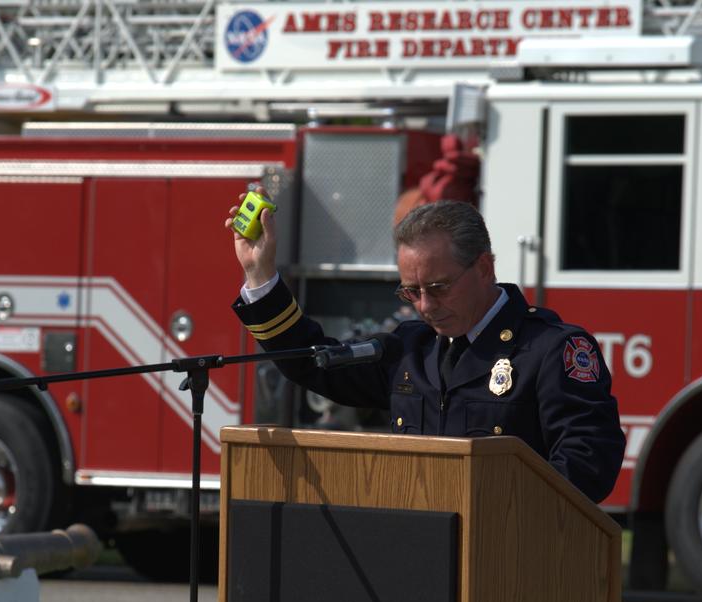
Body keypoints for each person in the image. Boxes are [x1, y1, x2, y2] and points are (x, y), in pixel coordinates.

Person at [226, 192, 625, 503]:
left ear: (485, 268)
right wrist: (259, 274)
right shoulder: (409, 351)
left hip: (510, 564)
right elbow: (312, 363)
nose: (426, 306)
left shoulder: (549, 349)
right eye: (411, 291)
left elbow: (588, 461)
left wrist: (508, 512)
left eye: (438, 288)